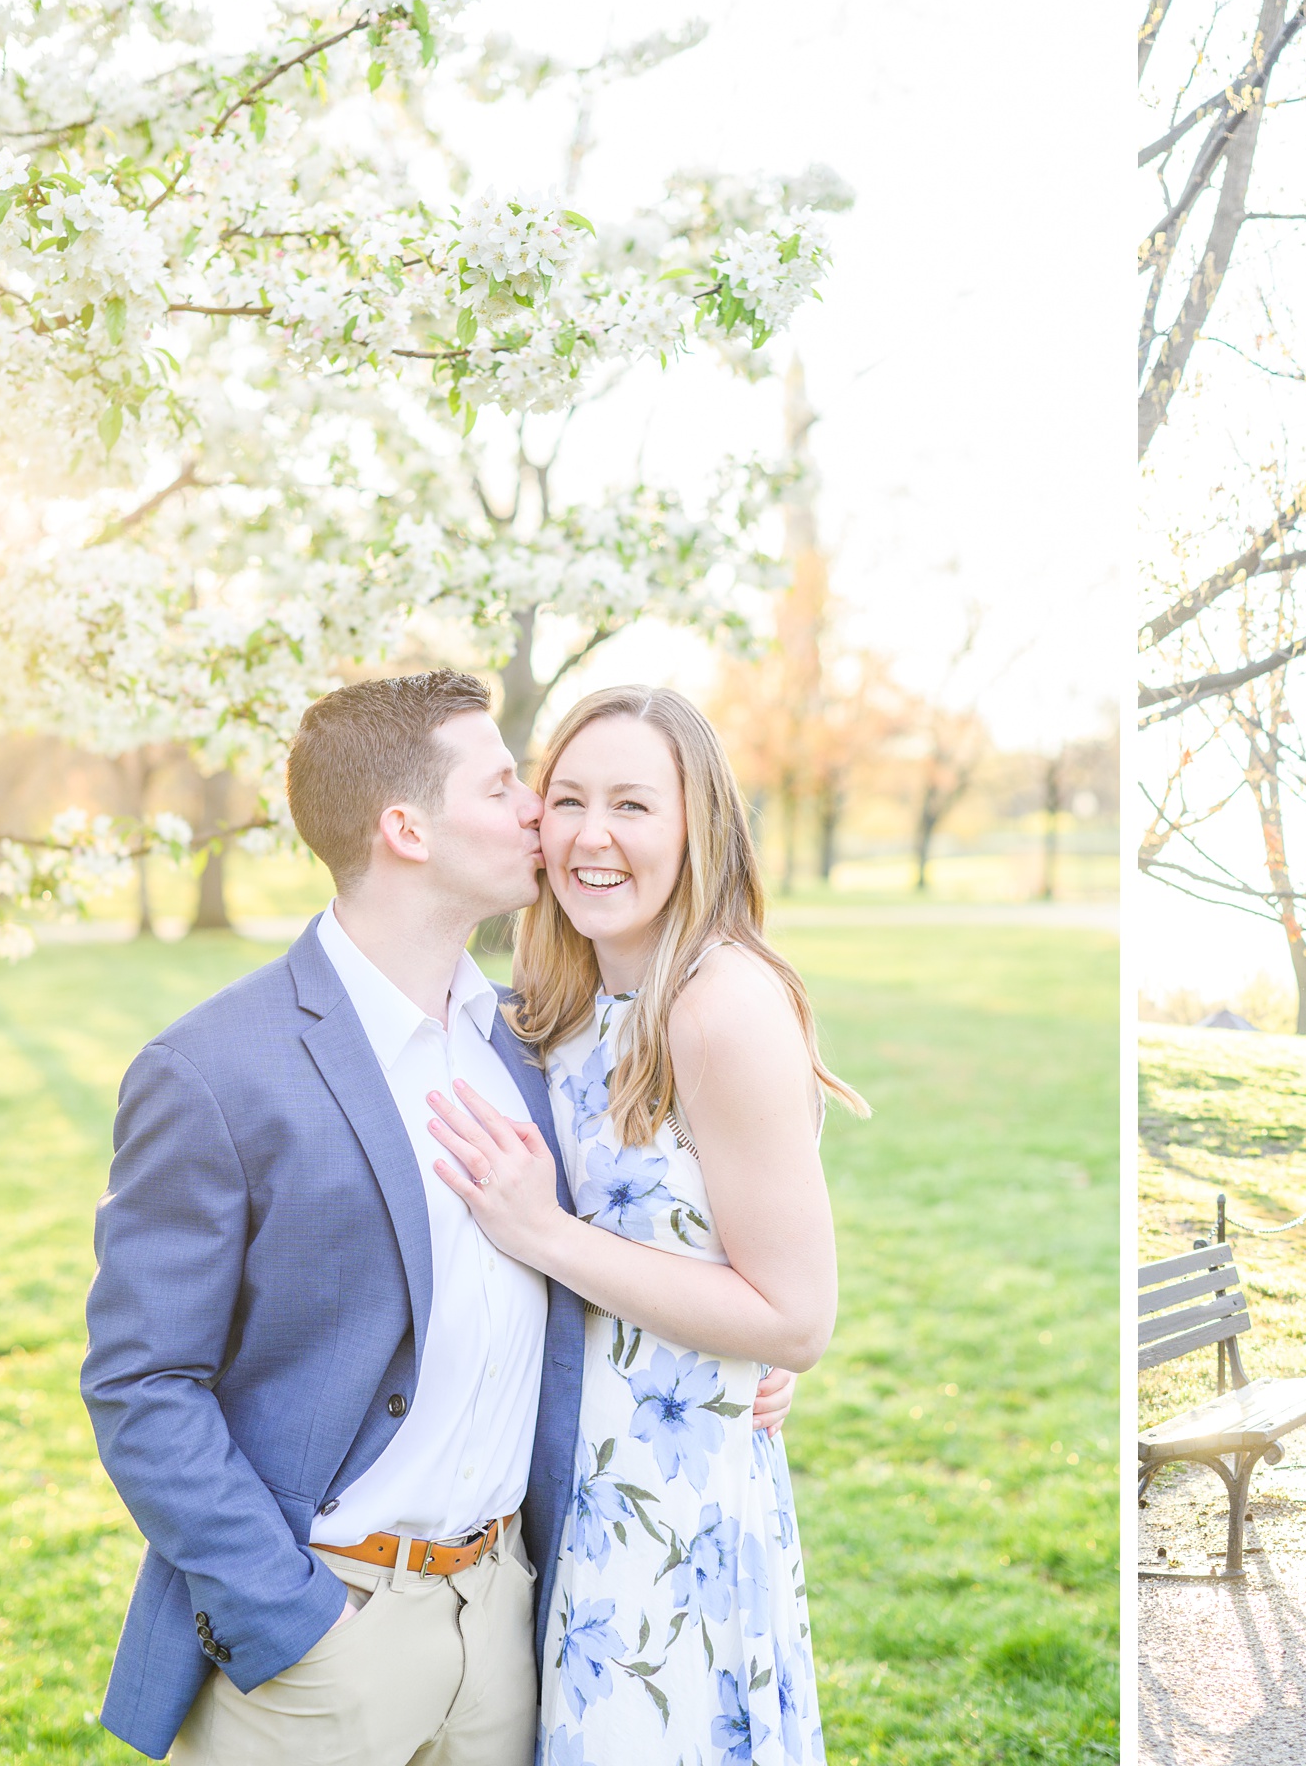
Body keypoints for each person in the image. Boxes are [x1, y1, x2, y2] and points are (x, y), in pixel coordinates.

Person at [82, 670, 792, 1764]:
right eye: (509, 782)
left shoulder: (535, 1042)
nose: (538, 815)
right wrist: (296, 1619)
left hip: (512, 1622)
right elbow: (141, 1383)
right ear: (405, 826)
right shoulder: (213, 1069)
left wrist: (739, 1350)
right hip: (326, 1631)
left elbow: (636, 1242)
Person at [421, 684, 855, 1766]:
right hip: (558, 1490)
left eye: (633, 805)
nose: (591, 836)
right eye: (567, 800)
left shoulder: (721, 1005)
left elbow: (795, 1319)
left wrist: (549, 1234)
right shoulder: (560, 997)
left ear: (698, 827)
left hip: (670, 1516)